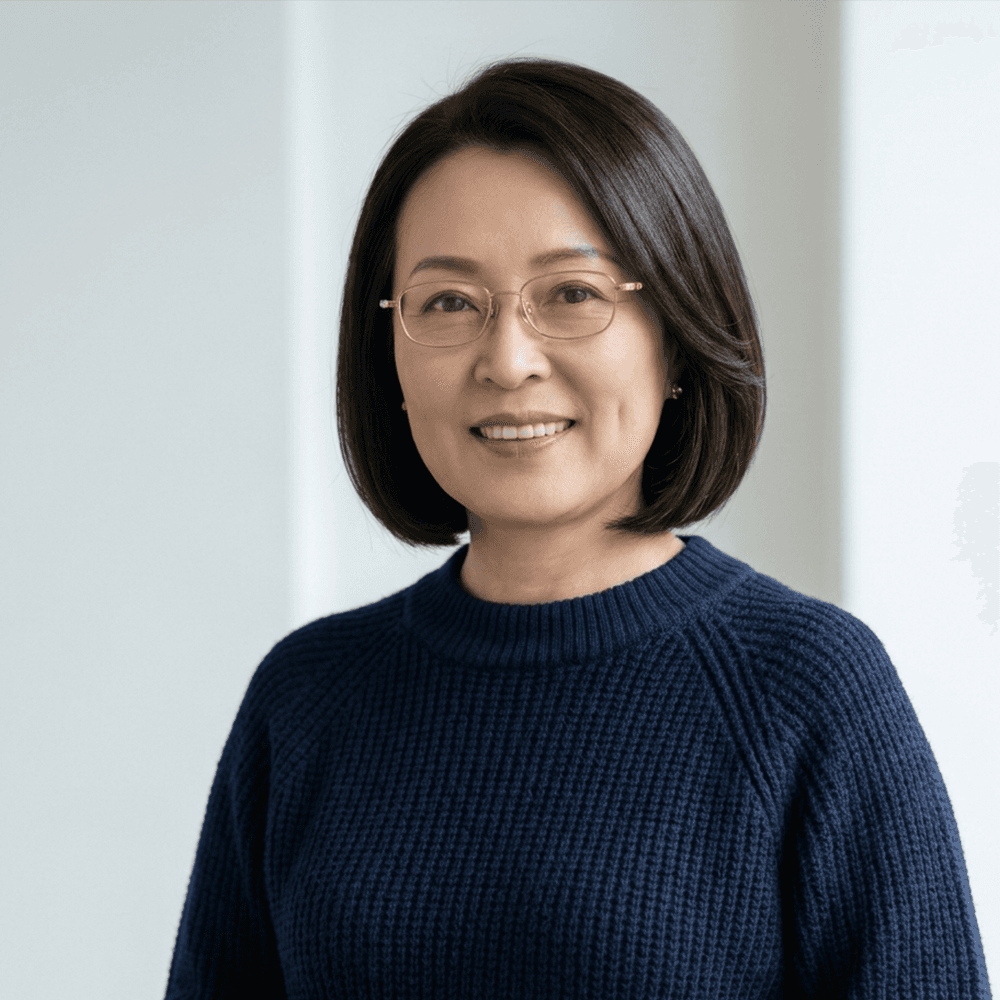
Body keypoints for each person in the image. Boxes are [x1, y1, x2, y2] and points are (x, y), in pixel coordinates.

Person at [165, 58, 992, 998]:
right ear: (385, 350)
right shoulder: (306, 699)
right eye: (448, 303)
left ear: (675, 336)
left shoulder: (805, 690)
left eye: (571, 294)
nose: (508, 360)